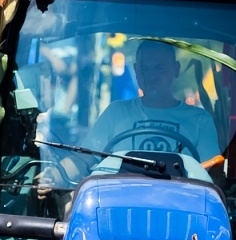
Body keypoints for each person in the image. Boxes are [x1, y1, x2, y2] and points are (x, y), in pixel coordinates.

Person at [87, 40, 222, 165]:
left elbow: (209, 174)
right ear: (136, 71)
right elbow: (84, 159)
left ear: (176, 69)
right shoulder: (115, 113)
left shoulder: (199, 121)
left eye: (159, 68)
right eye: (145, 69)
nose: (151, 76)